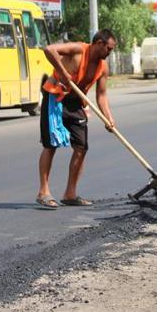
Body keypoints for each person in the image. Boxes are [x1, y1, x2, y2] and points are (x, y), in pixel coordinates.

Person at [36, 30, 117, 209]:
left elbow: (102, 95)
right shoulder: (78, 49)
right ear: (98, 43)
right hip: (55, 96)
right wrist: (63, 72)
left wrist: (108, 118)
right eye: (108, 49)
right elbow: (49, 49)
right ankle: (44, 192)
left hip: (75, 102)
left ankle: (70, 193)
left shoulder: (103, 67)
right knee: (51, 144)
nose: (109, 53)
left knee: (81, 147)